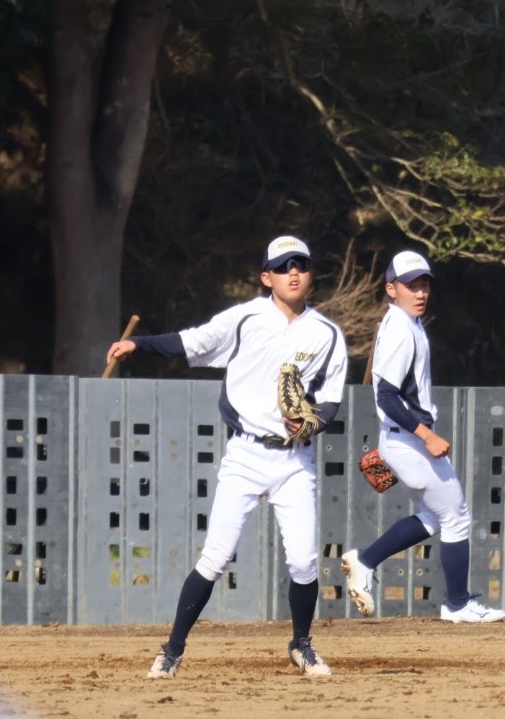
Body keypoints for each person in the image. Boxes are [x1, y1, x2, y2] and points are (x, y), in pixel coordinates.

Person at [106, 235, 348, 677]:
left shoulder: (327, 334)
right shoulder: (245, 318)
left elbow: (330, 401)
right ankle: (172, 650)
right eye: (283, 266)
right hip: (246, 454)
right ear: (266, 277)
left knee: (304, 561)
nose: (293, 272)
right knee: (215, 558)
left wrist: (313, 422)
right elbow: (191, 342)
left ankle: (301, 644)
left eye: (301, 264)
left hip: (294, 460)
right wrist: (139, 344)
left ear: (311, 273)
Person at [341, 250, 505, 624]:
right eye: (410, 285)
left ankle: (365, 560)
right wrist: (426, 436)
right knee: (457, 517)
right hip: (410, 440)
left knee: (434, 516)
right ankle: (457, 604)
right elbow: (386, 396)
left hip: (402, 438)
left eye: (424, 284)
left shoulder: (405, 323)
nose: (420, 292)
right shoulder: (401, 330)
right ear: (391, 289)